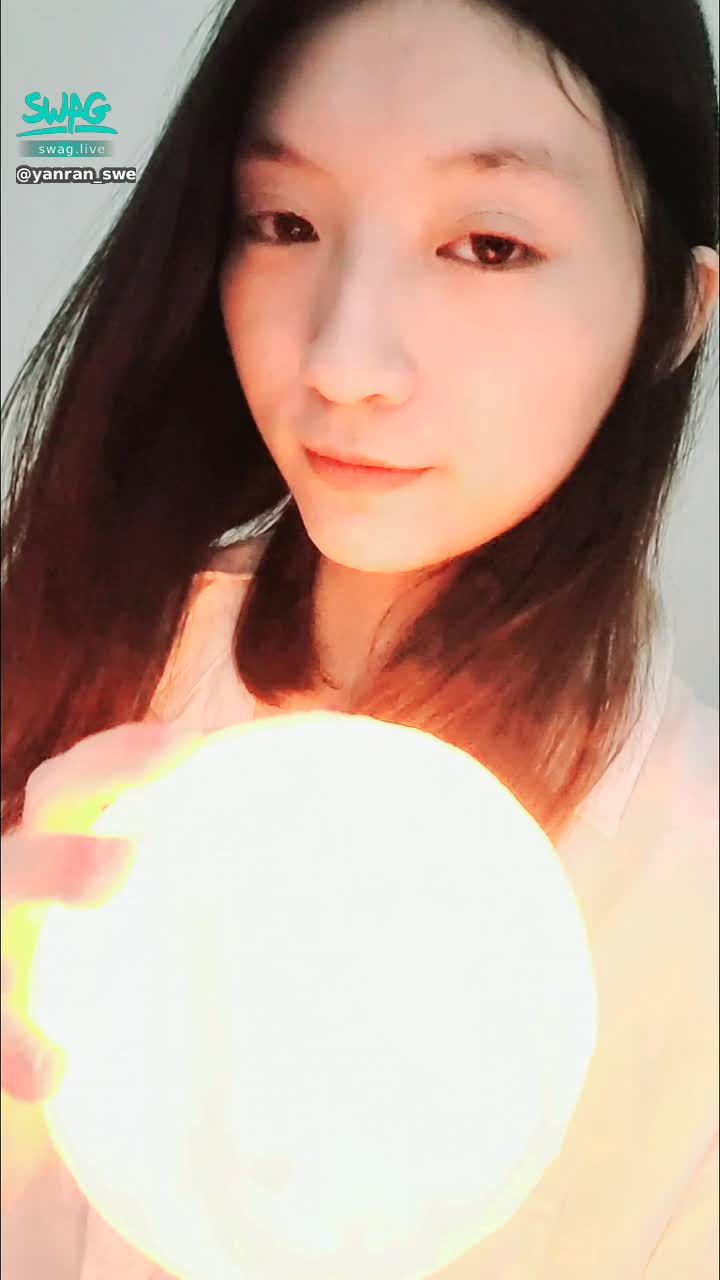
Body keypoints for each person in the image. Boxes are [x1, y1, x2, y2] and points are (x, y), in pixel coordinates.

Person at [1, 0, 718, 1274]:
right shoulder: (75, 671)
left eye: (488, 244)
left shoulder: (687, 889)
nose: (342, 360)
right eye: (285, 223)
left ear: (674, 309)